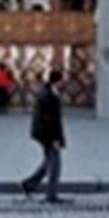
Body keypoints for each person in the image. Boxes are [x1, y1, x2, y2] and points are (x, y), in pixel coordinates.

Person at [19, 68, 67, 203]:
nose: (64, 82)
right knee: (55, 165)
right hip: (47, 135)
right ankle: (51, 195)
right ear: (57, 81)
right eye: (62, 80)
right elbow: (50, 120)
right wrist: (55, 139)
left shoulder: (48, 92)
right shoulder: (48, 95)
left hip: (44, 133)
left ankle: (29, 184)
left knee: (48, 163)